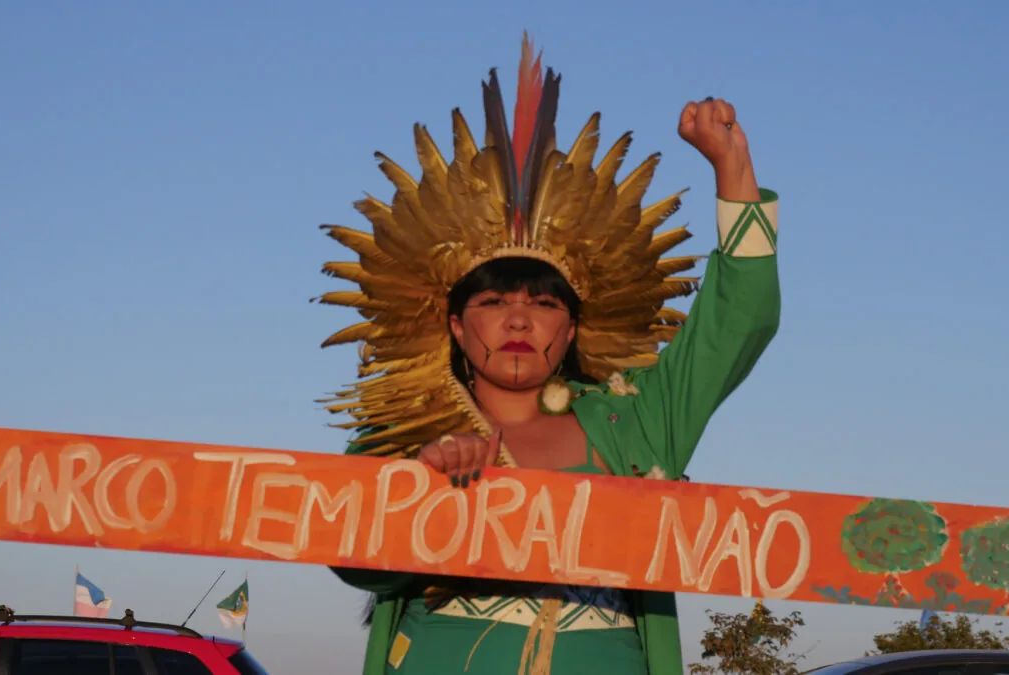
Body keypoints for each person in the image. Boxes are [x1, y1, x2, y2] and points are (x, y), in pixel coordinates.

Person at [316, 38, 780, 675]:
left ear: (571, 329)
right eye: (492, 302)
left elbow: (738, 323)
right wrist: (416, 486)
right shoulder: (401, 427)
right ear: (456, 326)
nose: (518, 319)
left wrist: (733, 167)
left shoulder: (637, 424)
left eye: (543, 303)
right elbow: (349, 556)